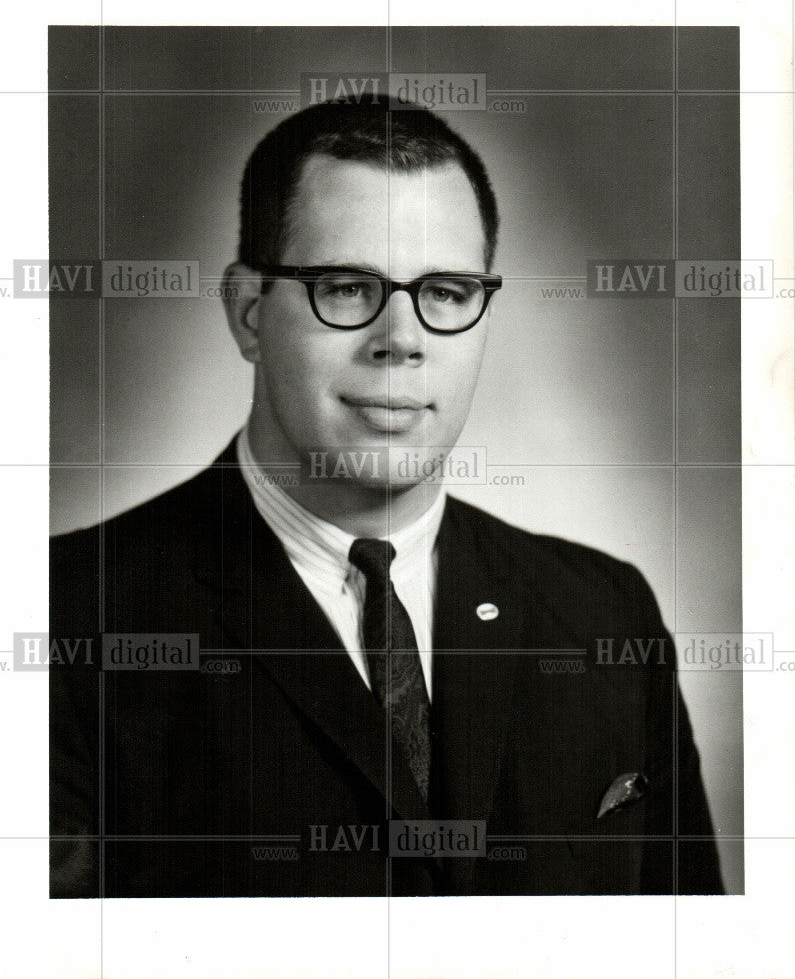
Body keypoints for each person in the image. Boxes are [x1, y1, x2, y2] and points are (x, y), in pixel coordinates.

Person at [50, 96, 724, 897]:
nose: (399, 339)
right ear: (248, 313)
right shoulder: (67, 619)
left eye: (442, 291)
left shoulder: (603, 614)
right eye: (345, 285)